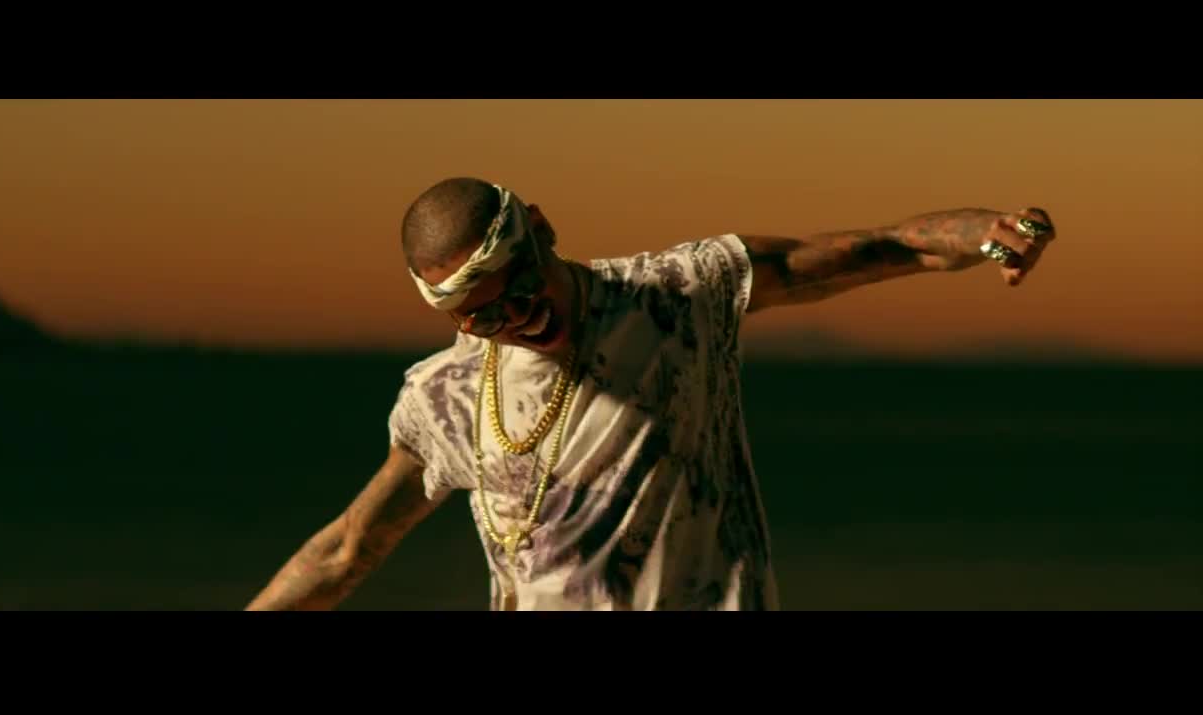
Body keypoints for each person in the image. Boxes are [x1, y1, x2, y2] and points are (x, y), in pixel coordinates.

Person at [245, 177, 1056, 611]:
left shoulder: (677, 296)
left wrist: (985, 234)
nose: (517, 317)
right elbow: (349, 549)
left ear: (541, 229)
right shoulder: (448, 396)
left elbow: (874, 250)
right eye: (484, 314)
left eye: (521, 286)